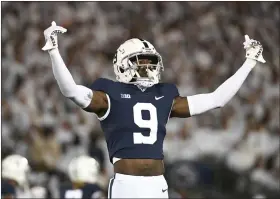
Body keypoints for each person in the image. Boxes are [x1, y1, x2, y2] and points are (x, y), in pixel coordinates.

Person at [42, 21, 266, 198]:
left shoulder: (164, 95)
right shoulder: (109, 93)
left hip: (157, 184)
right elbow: (71, 90)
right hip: (126, 184)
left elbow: (217, 99)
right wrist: (54, 51)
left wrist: (249, 63)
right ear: (123, 64)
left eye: (151, 62)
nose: (148, 67)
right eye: (141, 62)